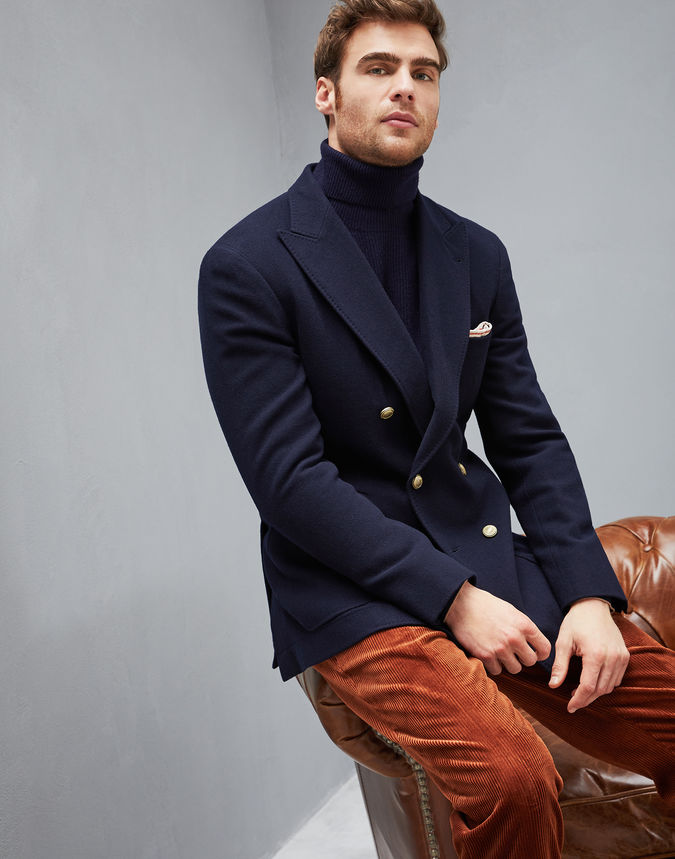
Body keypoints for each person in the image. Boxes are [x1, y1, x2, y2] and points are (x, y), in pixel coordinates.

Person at [198, 1, 674, 855]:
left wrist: (587, 593)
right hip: (348, 584)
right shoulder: (249, 263)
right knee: (512, 777)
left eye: (423, 72)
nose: (404, 87)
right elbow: (290, 484)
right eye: (378, 68)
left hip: (477, 547)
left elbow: (526, 436)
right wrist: (452, 598)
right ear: (324, 92)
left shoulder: (475, 252)